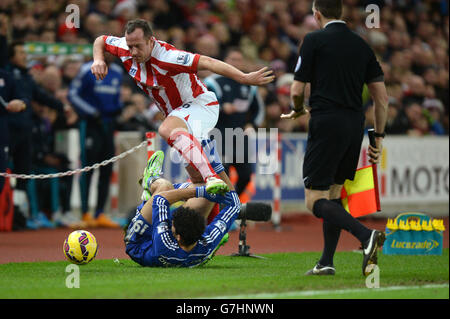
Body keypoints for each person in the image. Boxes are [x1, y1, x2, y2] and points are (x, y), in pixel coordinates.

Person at [90, 19, 274, 220]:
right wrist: (98, 60)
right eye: (130, 46)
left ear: (151, 41)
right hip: (180, 116)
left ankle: (215, 181)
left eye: (138, 46)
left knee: (166, 129)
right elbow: (101, 40)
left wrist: (244, 78)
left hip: (201, 105)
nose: (133, 52)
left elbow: (209, 62)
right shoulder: (125, 48)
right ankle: (210, 226)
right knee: (197, 183)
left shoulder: (169, 57)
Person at [281, 0, 389, 276]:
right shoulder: (362, 45)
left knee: (314, 200)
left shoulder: (314, 40)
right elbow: (381, 98)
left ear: (316, 13)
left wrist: (296, 110)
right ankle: (326, 261)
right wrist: (377, 138)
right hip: (354, 124)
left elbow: (296, 89)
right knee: (333, 193)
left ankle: (366, 236)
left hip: (327, 121)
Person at [124, 150, 241, 267]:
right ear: (201, 233)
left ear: (177, 236)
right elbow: (235, 205)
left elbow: (160, 199)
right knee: (209, 189)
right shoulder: (207, 241)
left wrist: (199, 192)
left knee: (165, 187)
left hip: (140, 243)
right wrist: (218, 168)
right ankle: (161, 193)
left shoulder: (164, 245)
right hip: (180, 249)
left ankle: (150, 181)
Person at [68, 54, 124, 228]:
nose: (113, 55)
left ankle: (100, 213)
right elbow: (73, 94)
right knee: (88, 168)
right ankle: (85, 213)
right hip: (91, 125)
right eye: (109, 51)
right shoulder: (87, 70)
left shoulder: (117, 72)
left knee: (107, 169)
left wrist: (119, 108)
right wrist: (91, 112)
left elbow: (117, 99)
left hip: (108, 126)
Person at [203, 47, 265, 197]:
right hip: (217, 135)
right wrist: (221, 107)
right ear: (225, 62)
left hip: (239, 135)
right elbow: (203, 105)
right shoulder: (212, 82)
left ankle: (233, 202)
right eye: (232, 60)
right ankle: (225, 206)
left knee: (246, 174)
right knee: (223, 173)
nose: (236, 63)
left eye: (239, 60)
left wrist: (252, 124)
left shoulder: (249, 86)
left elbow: (259, 110)